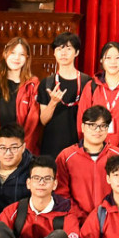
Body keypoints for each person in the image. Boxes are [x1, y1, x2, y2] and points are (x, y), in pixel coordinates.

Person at [57, 105, 119, 219]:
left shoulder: (118, 155)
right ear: (83, 127)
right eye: (92, 125)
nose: (98, 130)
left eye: (103, 126)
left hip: (111, 220)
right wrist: (82, 217)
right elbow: (61, 194)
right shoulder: (66, 156)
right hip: (77, 221)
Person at [35, 32, 89, 160]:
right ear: (54, 53)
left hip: (79, 144)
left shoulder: (87, 82)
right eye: (59, 49)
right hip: (51, 144)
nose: (63, 53)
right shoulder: (47, 82)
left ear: (76, 52)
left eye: (68, 48)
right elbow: (43, 120)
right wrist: (53, 102)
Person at [79, 40, 119, 151]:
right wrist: (87, 146)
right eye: (108, 58)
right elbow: (81, 119)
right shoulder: (92, 86)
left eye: (118, 58)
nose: (113, 62)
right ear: (101, 60)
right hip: (94, 150)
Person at [0, 37, 42, 153]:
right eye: (13, 53)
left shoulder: (33, 84)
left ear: (27, 58)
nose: (16, 58)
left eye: (22, 54)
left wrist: (22, 149)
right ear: (5, 54)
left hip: (22, 148)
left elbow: (32, 122)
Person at [0, 127, 35, 224]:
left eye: (14, 148)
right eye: (2, 148)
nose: (8, 153)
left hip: (20, 224)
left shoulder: (34, 169)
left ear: (23, 147)